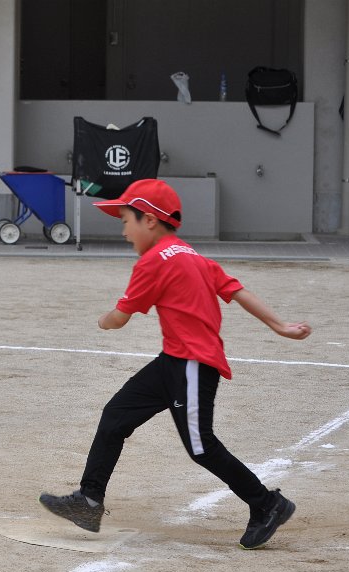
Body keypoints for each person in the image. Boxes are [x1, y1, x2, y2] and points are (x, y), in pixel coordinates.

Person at [39, 179, 312, 550]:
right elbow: (237, 290)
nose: (123, 232)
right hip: (172, 362)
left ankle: (267, 504)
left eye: (126, 221)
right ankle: (88, 501)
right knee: (116, 415)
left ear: (150, 220)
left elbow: (119, 318)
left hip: (192, 364)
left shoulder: (153, 262)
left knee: (201, 447)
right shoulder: (192, 254)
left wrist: (103, 320)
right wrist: (279, 325)